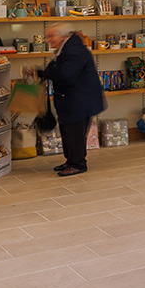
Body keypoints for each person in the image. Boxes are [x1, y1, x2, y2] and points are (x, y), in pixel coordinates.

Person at [42, 24, 104, 176]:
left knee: (75, 133)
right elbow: (52, 70)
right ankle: (70, 161)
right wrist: (41, 73)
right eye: (47, 36)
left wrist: (46, 73)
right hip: (70, 99)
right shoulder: (64, 49)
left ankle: (78, 164)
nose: (48, 40)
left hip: (80, 100)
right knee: (67, 131)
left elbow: (66, 75)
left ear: (62, 36)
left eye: (51, 36)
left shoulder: (74, 51)